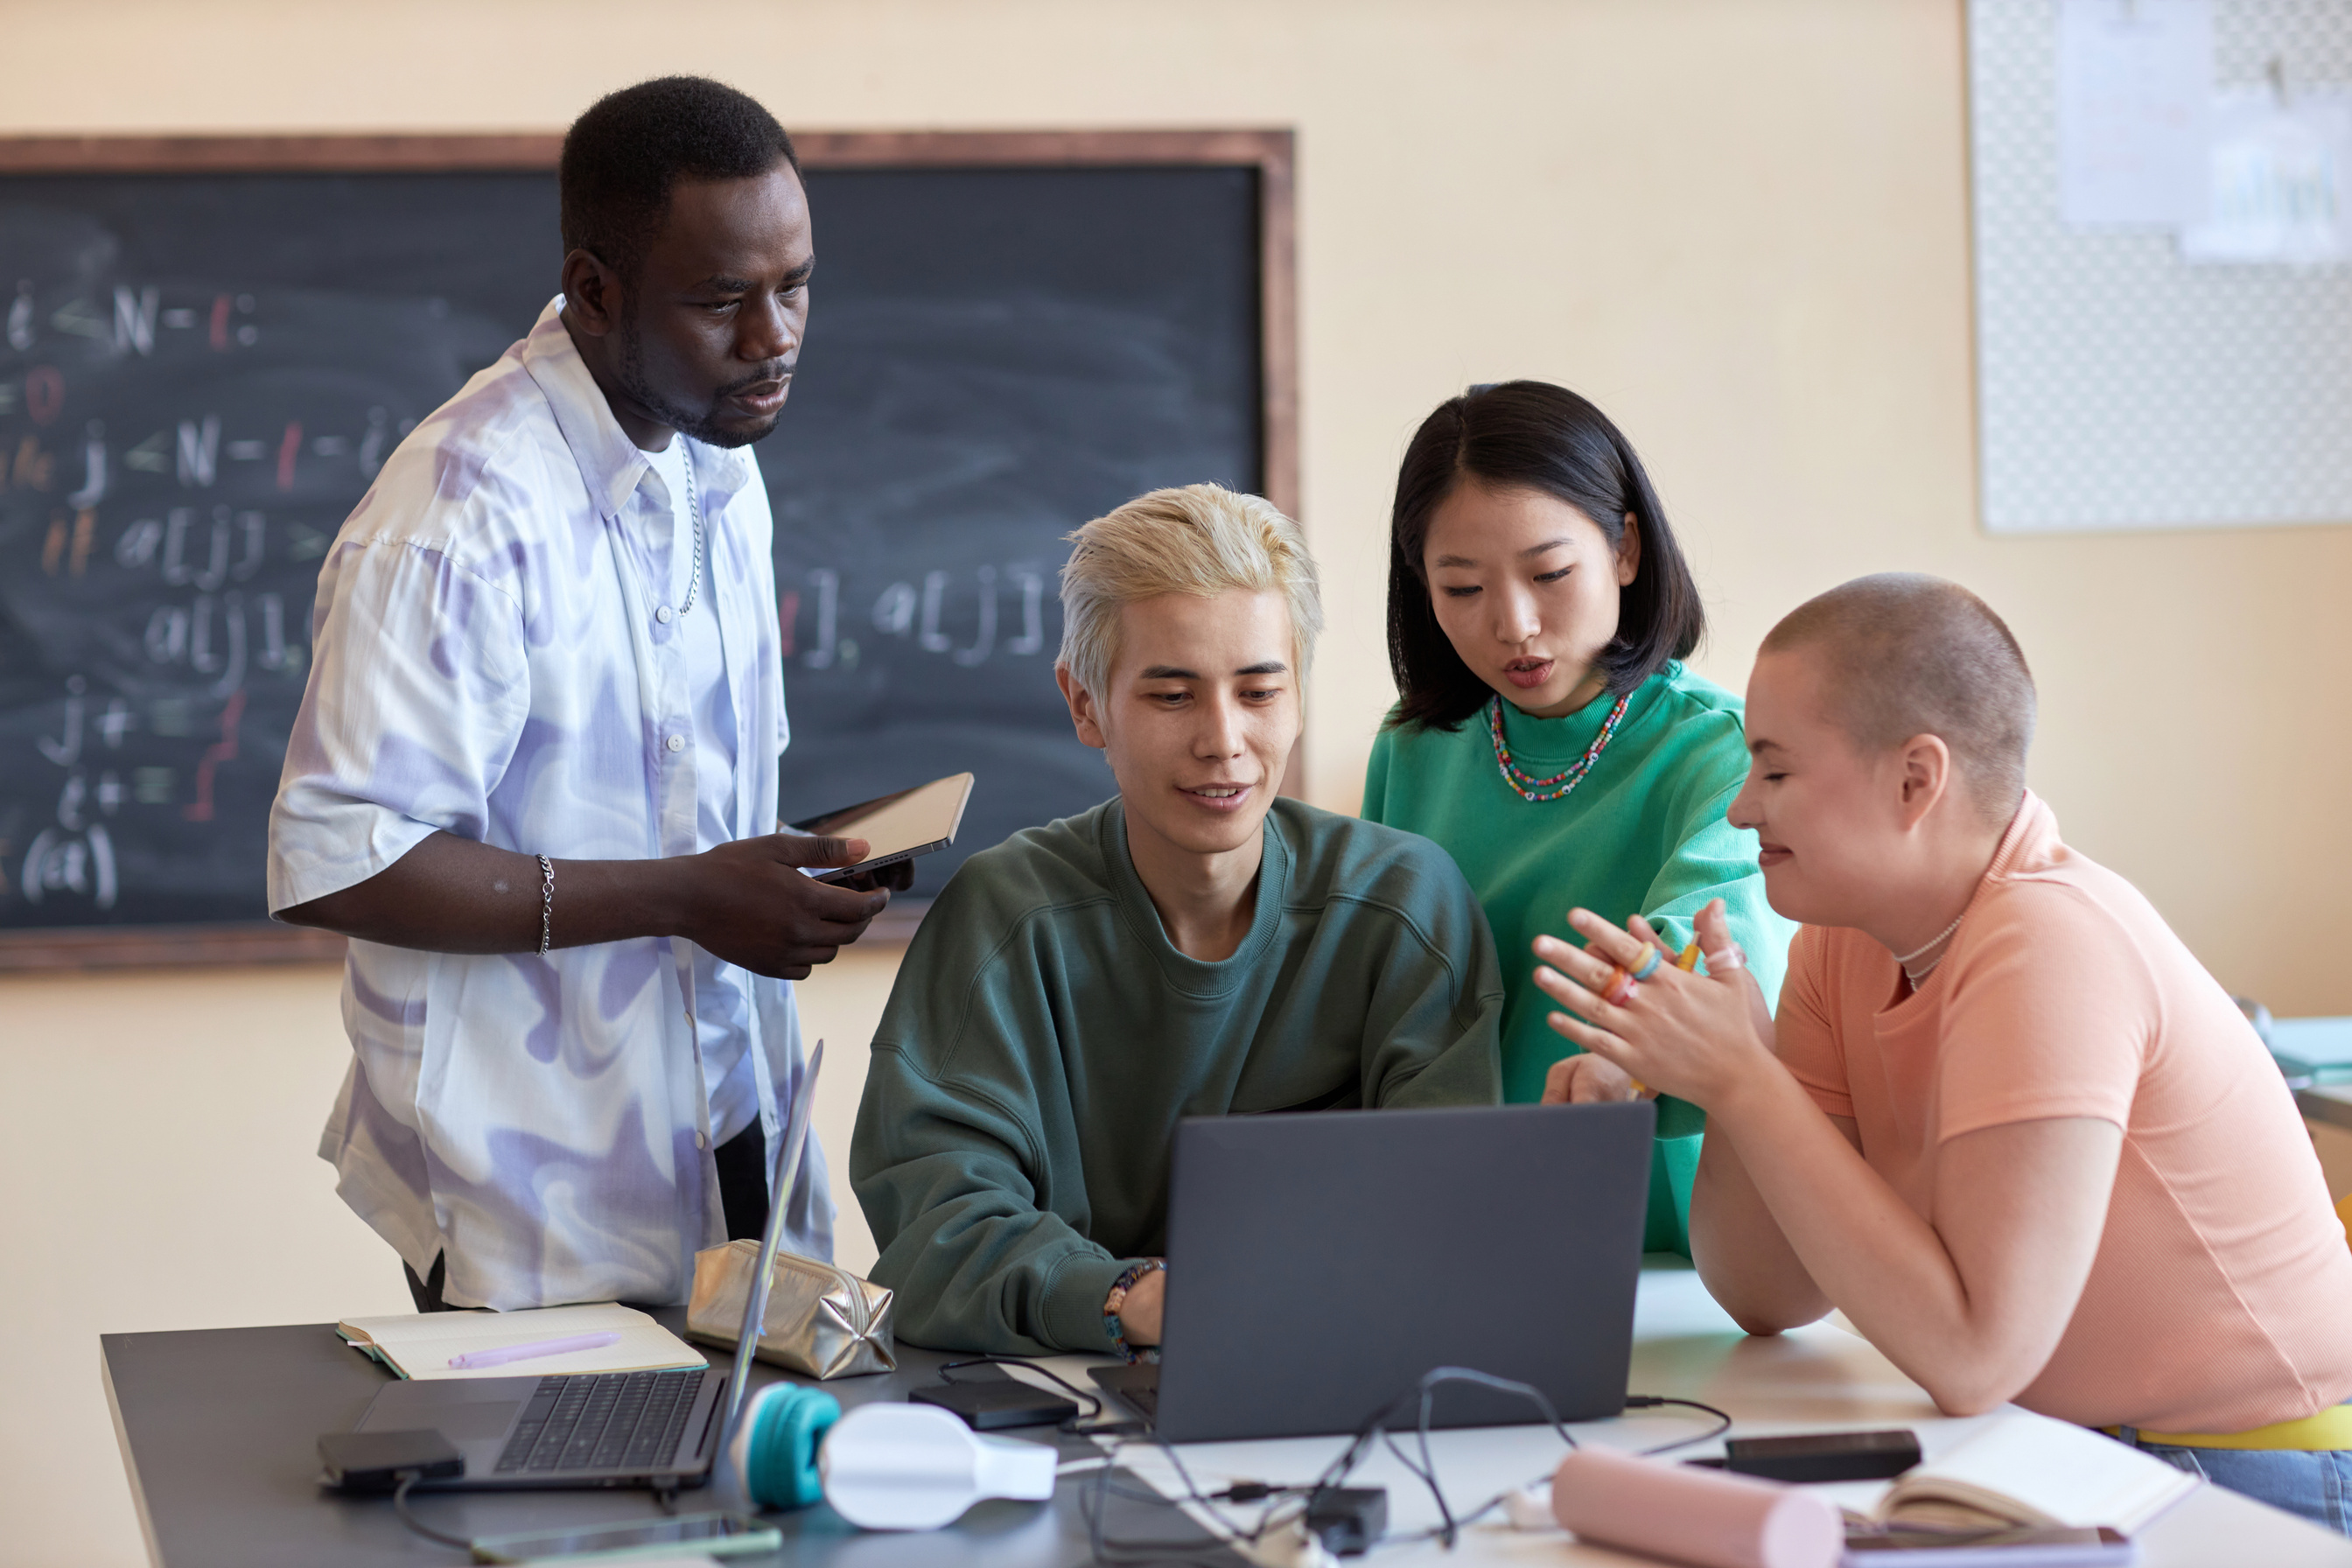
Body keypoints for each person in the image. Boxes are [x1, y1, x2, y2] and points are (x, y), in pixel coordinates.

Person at [267, 78, 909, 1312]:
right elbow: (340, 857)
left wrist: (775, 879)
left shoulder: (716, 457)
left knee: (754, 1499)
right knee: (569, 1507)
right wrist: (685, 898)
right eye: (722, 300)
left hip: (731, 1124)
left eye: (797, 286)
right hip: (531, 1182)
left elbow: (670, 800)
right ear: (598, 289)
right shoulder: (457, 518)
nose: (774, 336)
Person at [1532, 574, 2352, 1531]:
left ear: (1917, 779)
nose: (1744, 807)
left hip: (2249, 1473)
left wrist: (1748, 1082)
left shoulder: (2048, 938)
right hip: (2060, 1444)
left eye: (1775, 770)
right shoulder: (1843, 940)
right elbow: (1767, 1292)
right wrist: (1738, 1066)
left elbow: (1974, 1357)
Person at [851, 484, 1503, 1354]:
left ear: (1300, 696)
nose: (1224, 740)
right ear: (1086, 704)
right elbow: (936, 1228)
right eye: (1172, 696)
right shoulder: (1003, 920)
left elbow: (1453, 1208)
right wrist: (1131, 1297)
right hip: (1058, 1401)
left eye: (1260, 691)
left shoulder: (1404, 909)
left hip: (1343, 1375)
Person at [1361, 381, 1793, 1255]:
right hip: (1466, 1221)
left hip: (1663, 1226)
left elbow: (1712, 935)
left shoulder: (1716, 747)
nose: (1513, 623)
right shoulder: (1414, 748)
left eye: (1550, 573)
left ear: (1626, 548)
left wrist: (1624, 1050)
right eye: (1462, 586)